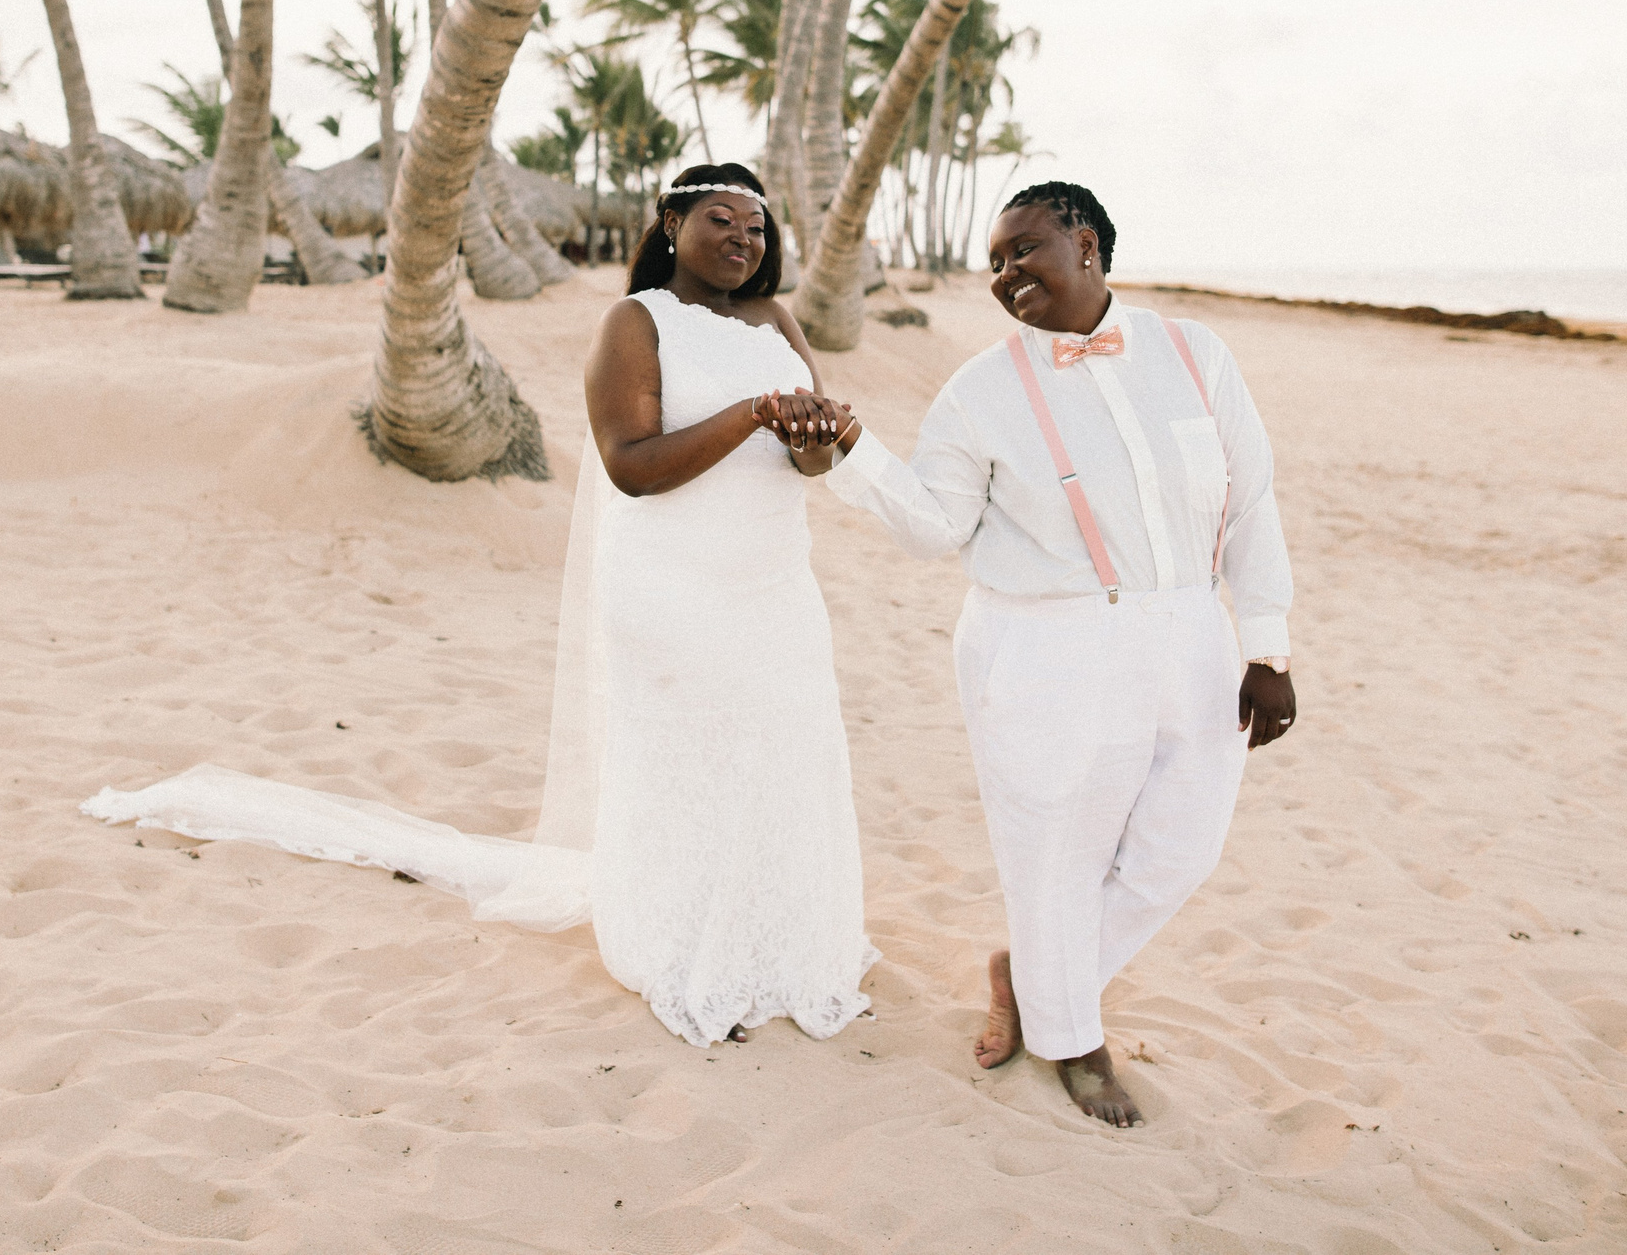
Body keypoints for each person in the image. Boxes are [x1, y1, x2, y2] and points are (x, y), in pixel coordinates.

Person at [84, 162, 876, 1050]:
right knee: (687, 760)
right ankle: (683, 943)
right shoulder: (633, 321)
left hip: (772, 588)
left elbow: (814, 461)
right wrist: (753, 412)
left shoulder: (777, 320)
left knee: (778, 752)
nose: (742, 240)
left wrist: (812, 440)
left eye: (757, 229)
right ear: (671, 225)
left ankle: (776, 938)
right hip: (674, 589)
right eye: (721, 221)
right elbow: (630, 465)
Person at [820, 180, 1297, 1126]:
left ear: (1086, 243)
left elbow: (1252, 502)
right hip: (1047, 644)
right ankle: (1074, 1043)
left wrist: (1268, 645)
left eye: (1024, 250)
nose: (1006, 275)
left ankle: (1031, 973)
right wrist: (853, 452)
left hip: (1193, 635)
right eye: (995, 262)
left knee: (1180, 850)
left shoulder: (1197, 354)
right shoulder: (979, 391)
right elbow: (936, 526)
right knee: (1055, 858)